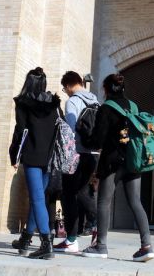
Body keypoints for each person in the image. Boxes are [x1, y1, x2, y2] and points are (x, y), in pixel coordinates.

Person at [80, 73, 154, 262]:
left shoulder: (106, 109)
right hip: (133, 160)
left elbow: (97, 140)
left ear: (106, 89)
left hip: (112, 161)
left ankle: (101, 246)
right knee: (136, 202)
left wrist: (83, 133)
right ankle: (147, 246)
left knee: (104, 202)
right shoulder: (134, 106)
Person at [9, 67, 61, 260]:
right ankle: (25, 239)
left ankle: (46, 244)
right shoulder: (54, 103)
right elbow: (59, 127)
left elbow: (20, 131)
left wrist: (14, 156)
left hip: (32, 156)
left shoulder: (22, 103)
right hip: (49, 158)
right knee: (38, 199)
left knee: (37, 199)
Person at [53, 71, 100, 253]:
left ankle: (71, 239)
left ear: (69, 85)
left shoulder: (72, 101)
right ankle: (96, 226)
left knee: (68, 195)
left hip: (77, 154)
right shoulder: (95, 101)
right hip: (93, 154)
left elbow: (71, 131)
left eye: (65, 89)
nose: (65, 92)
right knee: (84, 192)